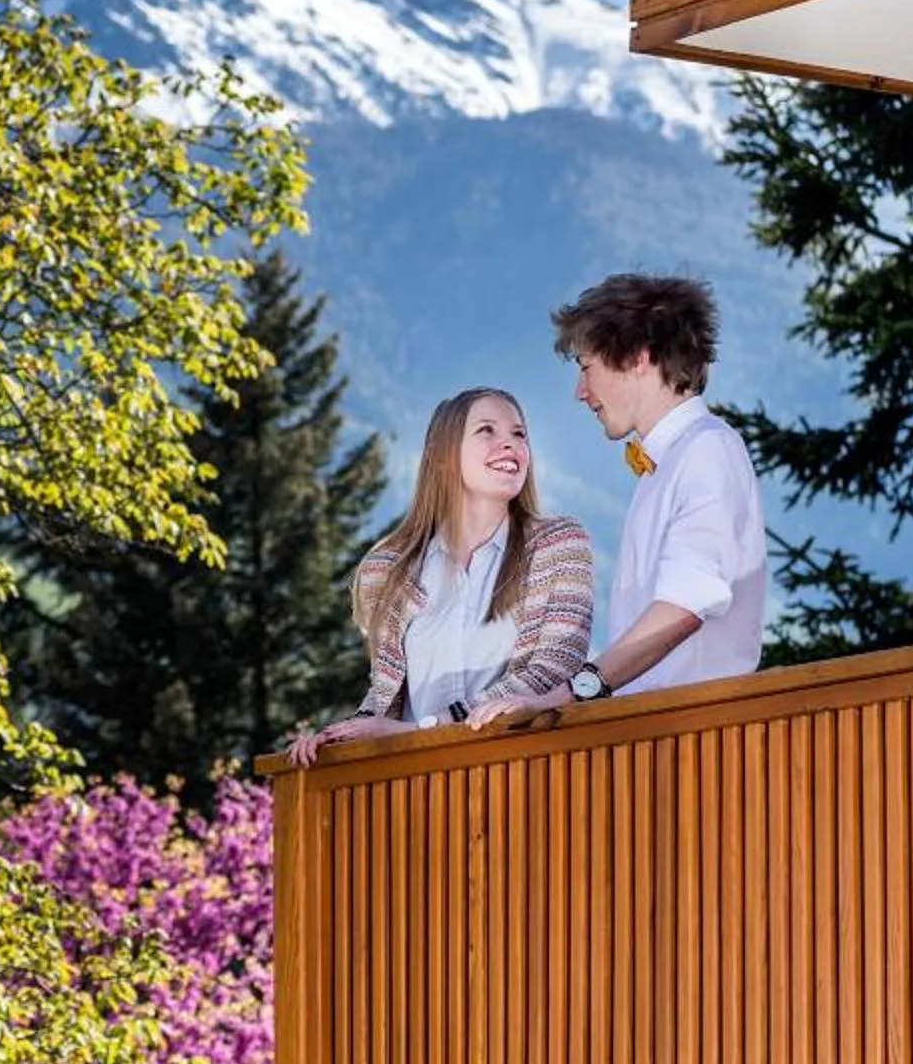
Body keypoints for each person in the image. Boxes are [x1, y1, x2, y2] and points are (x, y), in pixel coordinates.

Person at [286, 388, 592, 764]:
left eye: (519, 434)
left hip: (521, 774)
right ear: (444, 457)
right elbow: (388, 695)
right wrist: (337, 736)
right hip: (419, 787)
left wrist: (425, 730)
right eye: (486, 431)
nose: (509, 445)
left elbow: (553, 669)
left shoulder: (558, 545)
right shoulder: (388, 569)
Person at [551, 273, 767, 700]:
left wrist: (577, 690)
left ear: (637, 357)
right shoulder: (668, 462)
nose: (580, 392)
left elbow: (686, 603)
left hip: (694, 737)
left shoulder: (707, 450)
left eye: (586, 368)